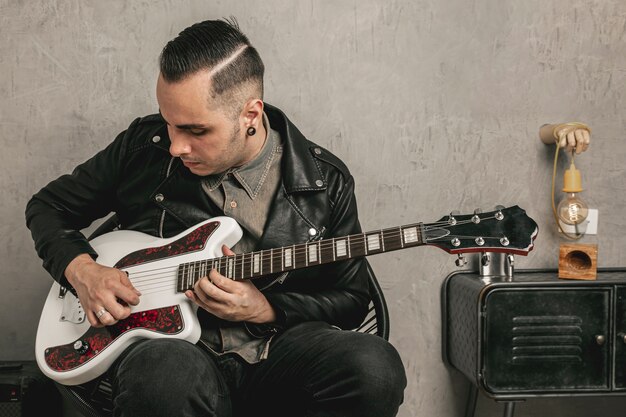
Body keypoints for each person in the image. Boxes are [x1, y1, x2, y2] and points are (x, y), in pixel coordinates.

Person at [26, 19, 406, 417]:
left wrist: (265, 308)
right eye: (169, 123)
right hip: (174, 351)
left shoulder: (326, 181)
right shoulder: (144, 147)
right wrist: (84, 271)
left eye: (195, 130)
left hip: (279, 351)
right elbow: (48, 207)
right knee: (163, 377)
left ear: (250, 114)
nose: (174, 146)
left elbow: (350, 299)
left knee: (374, 368)